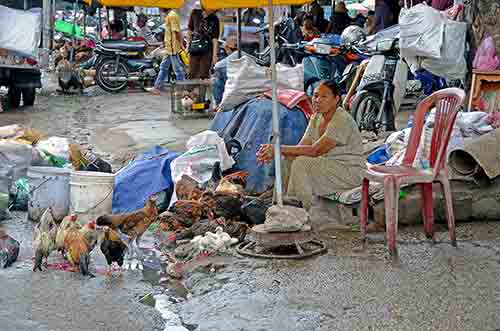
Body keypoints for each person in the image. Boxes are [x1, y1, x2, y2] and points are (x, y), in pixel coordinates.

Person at [256, 80, 366, 211]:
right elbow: (301, 147)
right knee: (288, 160)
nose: (318, 100)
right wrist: (274, 152)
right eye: (315, 95)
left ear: (336, 99)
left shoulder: (342, 119)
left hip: (349, 172)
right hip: (329, 166)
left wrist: (277, 149)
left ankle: (298, 209)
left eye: (324, 96)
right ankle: (278, 205)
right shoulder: (316, 117)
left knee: (302, 163)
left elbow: (315, 151)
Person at [148, 8, 185, 95]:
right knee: (163, 67)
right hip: (169, 48)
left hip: (173, 48)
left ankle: (181, 89)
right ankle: (157, 87)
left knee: (178, 70)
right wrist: (165, 44)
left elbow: (176, 32)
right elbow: (171, 33)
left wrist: (180, 44)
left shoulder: (172, 16)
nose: (159, 8)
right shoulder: (170, 15)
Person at [187, 5, 220, 79]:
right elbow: (189, 30)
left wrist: (215, 55)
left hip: (207, 50)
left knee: (203, 74)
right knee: (191, 73)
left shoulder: (215, 18)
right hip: (194, 48)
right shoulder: (195, 13)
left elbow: (215, 38)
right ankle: (190, 90)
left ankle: (201, 90)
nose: (215, 10)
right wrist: (187, 46)